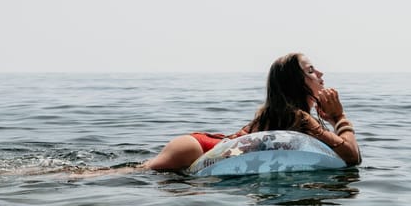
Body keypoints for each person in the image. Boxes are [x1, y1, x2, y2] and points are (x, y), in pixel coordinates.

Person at [141, 53, 361, 172]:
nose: (321, 73)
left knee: (134, 172)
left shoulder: (283, 113)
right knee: (131, 174)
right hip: (197, 149)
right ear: (295, 83)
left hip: (199, 144)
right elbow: (352, 157)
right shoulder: (298, 117)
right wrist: (338, 117)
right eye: (310, 70)